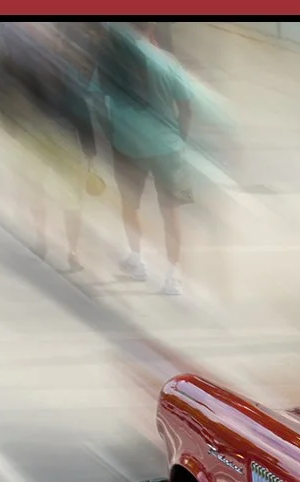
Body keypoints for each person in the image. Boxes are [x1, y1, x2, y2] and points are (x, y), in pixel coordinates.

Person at [92, 21, 206, 296]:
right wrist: (179, 138)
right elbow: (186, 106)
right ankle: (173, 276)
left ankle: (137, 258)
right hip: (167, 147)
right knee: (171, 211)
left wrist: (109, 130)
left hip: (127, 142)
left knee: (130, 202)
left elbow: (97, 99)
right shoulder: (169, 63)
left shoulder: (112, 60)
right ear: (152, 29)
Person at [0, 22, 100, 272]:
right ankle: (72, 252)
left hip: (40, 135)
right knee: (70, 200)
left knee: (38, 189)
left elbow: (19, 100)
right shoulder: (70, 74)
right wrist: (90, 153)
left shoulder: (33, 69)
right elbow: (83, 111)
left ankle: (41, 240)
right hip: (62, 138)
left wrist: (15, 130)